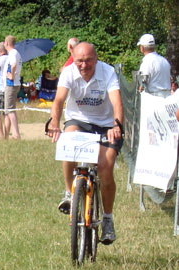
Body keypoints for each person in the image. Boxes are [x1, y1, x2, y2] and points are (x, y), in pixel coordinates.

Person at [46, 42, 124, 245]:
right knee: (68, 141)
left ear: (96, 59)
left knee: (106, 168)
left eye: (88, 60)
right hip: (78, 121)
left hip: (106, 125)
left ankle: (107, 218)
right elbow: (59, 100)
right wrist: (54, 122)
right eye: (80, 60)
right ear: (74, 58)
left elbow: (116, 102)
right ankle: (68, 192)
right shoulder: (69, 72)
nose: (84, 65)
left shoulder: (107, 73)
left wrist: (116, 125)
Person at [137, 33, 171, 98]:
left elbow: (143, 83)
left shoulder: (146, 62)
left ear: (142, 48)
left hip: (154, 98)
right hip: (167, 97)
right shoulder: (164, 60)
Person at [4, 35, 22, 139]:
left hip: (11, 84)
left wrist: (11, 74)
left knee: (10, 110)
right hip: (14, 84)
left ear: (7, 43)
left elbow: (13, 64)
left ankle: (16, 133)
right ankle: (7, 134)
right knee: (8, 110)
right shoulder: (16, 53)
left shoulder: (12, 53)